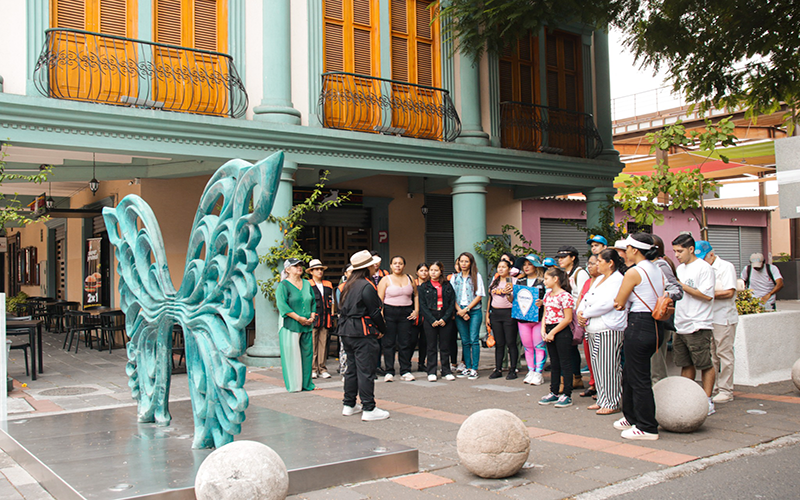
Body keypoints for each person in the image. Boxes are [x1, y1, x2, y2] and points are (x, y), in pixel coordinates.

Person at [613, 233, 664, 440]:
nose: (624, 252)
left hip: (639, 323)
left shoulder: (634, 272)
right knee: (631, 373)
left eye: (626, 249)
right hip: (654, 325)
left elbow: (619, 302)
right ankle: (632, 416)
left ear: (634, 250)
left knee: (639, 376)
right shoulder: (657, 269)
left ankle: (647, 426)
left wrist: (622, 301)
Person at [338, 250, 390, 421]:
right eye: (372, 264)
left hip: (346, 331)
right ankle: (369, 407)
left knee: (351, 369)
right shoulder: (366, 285)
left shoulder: (348, 284)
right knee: (366, 370)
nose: (376, 266)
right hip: (362, 331)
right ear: (367, 267)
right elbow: (374, 312)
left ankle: (349, 404)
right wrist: (382, 328)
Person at [672, 233, 717, 416]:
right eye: (674, 251)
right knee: (685, 363)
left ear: (691, 249)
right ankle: (688, 398)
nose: (677, 255)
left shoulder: (704, 268)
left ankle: (707, 400)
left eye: (680, 251)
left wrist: (681, 285)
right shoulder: (680, 269)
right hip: (681, 322)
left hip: (698, 323)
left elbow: (706, 295)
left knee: (704, 363)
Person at [578, 249, 627, 415]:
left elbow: (607, 303)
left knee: (608, 366)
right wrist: (580, 312)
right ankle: (602, 398)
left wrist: (586, 313)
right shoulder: (599, 279)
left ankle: (612, 401)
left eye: (599, 261)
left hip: (608, 328)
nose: (596, 264)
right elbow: (586, 298)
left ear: (610, 263)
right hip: (592, 328)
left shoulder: (617, 279)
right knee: (597, 365)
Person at [695, 241, 738, 404]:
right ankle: (711, 387)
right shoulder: (701, 268)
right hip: (708, 317)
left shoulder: (725, 267)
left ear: (711, 254)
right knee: (711, 354)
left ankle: (726, 389)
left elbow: (729, 292)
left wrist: (706, 293)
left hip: (724, 317)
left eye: (703, 257)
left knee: (724, 353)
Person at [275, 258, 317, 393]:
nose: (299, 267)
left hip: (307, 324)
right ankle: (294, 385)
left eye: (300, 265)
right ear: (287, 269)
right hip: (290, 324)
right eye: (295, 266)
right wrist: (299, 318)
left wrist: (312, 316)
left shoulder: (306, 284)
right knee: (292, 355)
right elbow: (283, 306)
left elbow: (313, 302)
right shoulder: (284, 285)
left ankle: (307, 384)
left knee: (307, 354)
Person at [537, 267, 575, 408]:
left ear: (555, 279)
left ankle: (567, 393)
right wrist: (543, 329)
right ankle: (554, 391)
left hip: (562, 330)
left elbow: (568, 318)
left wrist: (553, 332)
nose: (544, 281)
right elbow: (545, 313)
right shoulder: (548, 295)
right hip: (549, 328)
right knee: (554, 362)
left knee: (565, 362)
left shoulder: (565, 296)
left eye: (547, 278)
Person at [378, 256, 419, 382]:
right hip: (390, 311)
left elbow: (416, 295)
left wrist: (416, 310)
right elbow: (379, 301)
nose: (397, 266)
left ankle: (405, 370)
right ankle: (389, 371)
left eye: (400, 263)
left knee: (405, 342)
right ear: (390, 265)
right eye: (395, 263)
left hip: (406, 312)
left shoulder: (410, 278)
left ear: (404, 265)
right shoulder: (385, 280)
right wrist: (381, 317)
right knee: (389, 343)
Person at [649, 234, 684, 385]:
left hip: (660, 319)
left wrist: (662, 296)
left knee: (657, 362)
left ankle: (660, 393)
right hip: (650, 319)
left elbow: (677, 290)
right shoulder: (647, 266)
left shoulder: (661, 266)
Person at [554, 245, 588, 390]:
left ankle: (574, 378)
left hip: (574, 314)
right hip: (564, 314)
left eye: (564, 257)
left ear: (573, 257)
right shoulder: (565, 273)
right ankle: (575, 377)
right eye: (559, 257)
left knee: (570, 347)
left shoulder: (580, 274)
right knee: (570, 348)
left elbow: (583, 295)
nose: (560, 260)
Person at [418, 261, 457, 382]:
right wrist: (432, 319)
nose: (433, 273)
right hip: (431, 316)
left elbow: (452, 302)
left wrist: (445, 318)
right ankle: (431, 371)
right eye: (431, 270)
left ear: (441, 271)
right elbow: (422, 305)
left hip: (444, 315)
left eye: (436, 270)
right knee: (431, 346)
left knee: (445, 346)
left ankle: (446, 370)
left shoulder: (447, 285)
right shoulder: (424, 286)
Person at [451, 252, 485, 380]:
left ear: (471, 263)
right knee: (465, 341)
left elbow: (479, 295)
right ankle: (467, 367)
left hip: (474, 310)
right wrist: (460, 311)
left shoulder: (476, 276)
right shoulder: (455, 278)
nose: (463, 264)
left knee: (473, 339)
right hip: (459, 311)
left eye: (466, 261)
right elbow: (451, 296)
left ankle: (475, 368)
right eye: (461, 261)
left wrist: (467, 309)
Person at [516, 254, 547, 385]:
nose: (527, 267)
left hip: (539, 319)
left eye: (530, 264)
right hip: (523, 319)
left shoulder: (543, 282)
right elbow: (515, 301)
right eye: (525, 264)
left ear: (536, 266)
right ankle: (531, 371)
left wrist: (542, 303)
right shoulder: (519, 282)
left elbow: (549, 299)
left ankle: (539, 373)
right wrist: (509, 295)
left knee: (539, 346)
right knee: (527, 346)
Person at [487, 259, 518, 380]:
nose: (500, 269)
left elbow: (513, 300)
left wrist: (509, 293)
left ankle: (513, 369)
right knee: (499, 343)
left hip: (509, 313)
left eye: (503, 267)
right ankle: (498, 369)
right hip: (495, 313)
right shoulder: (495, 281)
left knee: (511, 342)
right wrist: (487, 316)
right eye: (499, 267)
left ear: (509, 269)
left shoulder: (514, 281)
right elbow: (490, 298)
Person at [576, 254, 599, 398]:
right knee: (589, 355)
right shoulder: (588, 282)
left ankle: (601, 386)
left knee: (600, 357)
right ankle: (593, 383)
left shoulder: (606, 282)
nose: (589, 266)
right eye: (588, 263)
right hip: (586, 324)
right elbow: (580, 300)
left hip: (600, 325)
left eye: (593, 263)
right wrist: (579, 314)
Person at [307, 259, 334, 380]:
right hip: (313, 318)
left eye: (321, 269)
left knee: (323, 344)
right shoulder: (307, 284)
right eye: (317, 269)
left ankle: (322, 368)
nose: (319, 271)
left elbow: (332, 301)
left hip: (326, 318)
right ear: (311, 272)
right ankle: (313, 369)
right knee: (312, 344)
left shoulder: (328, 284)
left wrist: (332, 314)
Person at [335, 264, 353, 378]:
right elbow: (339, 304)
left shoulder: (362, 284)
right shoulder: (341, 287)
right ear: (345, 274)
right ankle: (344, 370)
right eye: (350, 271)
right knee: (344, 348)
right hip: (345, 320)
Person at [412, 263, 430, 372]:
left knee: (425, 341)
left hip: (427, 315)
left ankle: (422, 363)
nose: (424, 272)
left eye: (425, 270)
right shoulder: (413, 283)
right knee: (411, 340)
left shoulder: (430, 284)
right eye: (421, 270)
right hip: (415, 315)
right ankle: (407, 363)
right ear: (417, 272)